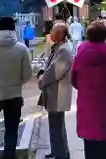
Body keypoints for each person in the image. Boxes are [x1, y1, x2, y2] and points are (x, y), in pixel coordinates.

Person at [71, 21, 106, 159]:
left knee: (89, 145)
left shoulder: (80, 55)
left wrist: (85, 87)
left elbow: (73, 79)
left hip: (87, 104)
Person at [0, 16, 32, 159]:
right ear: (13, 29)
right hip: (14, 94)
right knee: (11, 130)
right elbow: (27, 74)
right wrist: (18, 83)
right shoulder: (22, 48)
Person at [38, 23, 72, 159]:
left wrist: (42, 80)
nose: (50, 33)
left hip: (58, 92)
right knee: (55, 125)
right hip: (54, 91)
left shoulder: (63, 49)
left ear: (59, 34)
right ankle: (57, 150)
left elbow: (55, 71)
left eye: (53, 31)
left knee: (57, 125)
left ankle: (61, 154)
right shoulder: (59, 47)